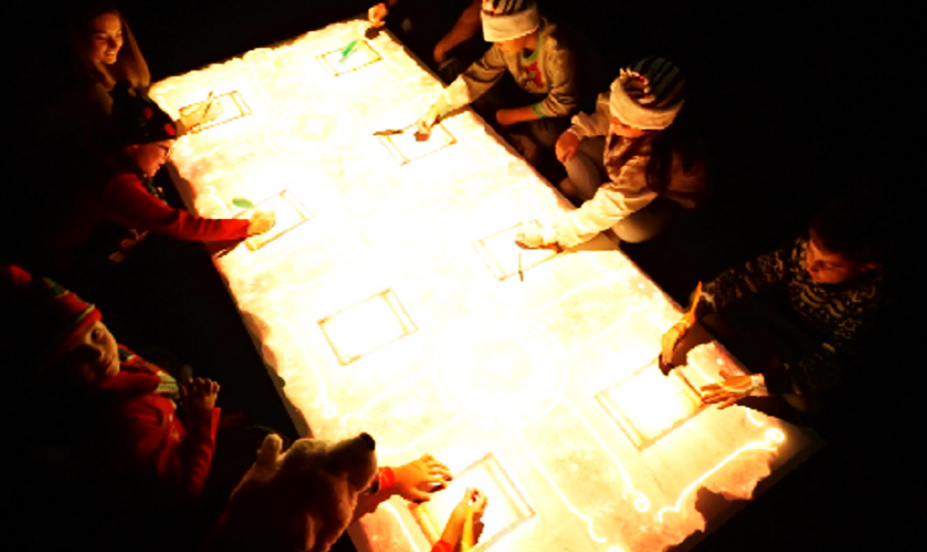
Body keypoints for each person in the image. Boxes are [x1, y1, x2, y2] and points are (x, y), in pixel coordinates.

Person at [659, 194, 886, 416]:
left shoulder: (870, 301)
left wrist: (756, 383)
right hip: (770, 321)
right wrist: (687, 319)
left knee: (805, 404)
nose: (810, 265)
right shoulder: (804, 250)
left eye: (829, 265)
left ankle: (759, 375)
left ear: (867, 266)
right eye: (810, 250)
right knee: (703, 303)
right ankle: (756, 362)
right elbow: (747, 275)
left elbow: (832, 363)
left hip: (807, 347)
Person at [36, 83, 275, 276]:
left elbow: (150, 137)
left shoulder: (114, 153)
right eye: (164, 150)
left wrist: (186, 123)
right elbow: (178, 224)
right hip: (72, 261)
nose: (165, 159)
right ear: (134, 145)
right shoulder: (118, 186)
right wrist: (246, 227)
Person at [515, 57, 707, 250]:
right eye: (615, 113)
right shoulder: (629, 110)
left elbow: (615, 202)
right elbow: (606, 115)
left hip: (657, 201)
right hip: (623, 170)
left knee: (628, 229)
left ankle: (594, 217)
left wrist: (557, 234)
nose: (615, 123)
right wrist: (576, 132)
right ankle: (590, 205)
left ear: (652, 127)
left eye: (624, 123)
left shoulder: (655, 160)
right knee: (572, 151)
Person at [416, 0, 579, 165]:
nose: (497, 45)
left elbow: (563, 103)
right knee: (480, 91)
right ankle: (519, 132)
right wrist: (438, 108)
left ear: (521, 29)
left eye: (501, 38)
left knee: (547, 134)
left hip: (559, 115)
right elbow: (478, 75)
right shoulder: (508, 46)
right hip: (526, 98)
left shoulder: (557, 52)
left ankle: (535, 150)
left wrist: (513, 116)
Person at [367, 0, 484, 81]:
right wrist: (386, 5)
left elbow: (477, 9)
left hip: (450, 37)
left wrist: (441, 49)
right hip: (416, 20)